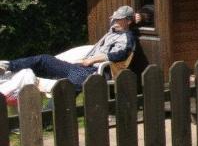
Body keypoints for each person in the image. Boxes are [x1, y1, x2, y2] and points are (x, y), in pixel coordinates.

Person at [0, 5, 137, 89]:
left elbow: (121, 54)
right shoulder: (112, 32)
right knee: (44, 59)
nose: (115, 21)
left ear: (129, 21)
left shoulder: (126, 37)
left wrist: (92, 60)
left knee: (65, 85)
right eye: (115, 18)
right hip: (81, 66)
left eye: (119, 19)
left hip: (96, 72)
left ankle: (47, 117)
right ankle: (7, 66)